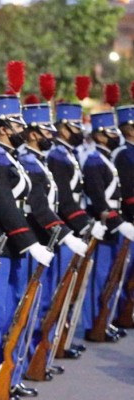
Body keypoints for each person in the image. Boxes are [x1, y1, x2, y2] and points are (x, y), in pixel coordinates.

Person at [0, 95, 54, 400]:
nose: (23, 127)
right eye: (17, 122)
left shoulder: (10, 158)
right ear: (3, 127)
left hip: (14, 247)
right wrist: (31, 243)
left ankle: (9, 377)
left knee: (12, 317)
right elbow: (7, 208)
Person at [17, 103, 87, 383]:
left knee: (46, 304)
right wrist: (68, 232)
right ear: (34, 134)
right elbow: (38, 206)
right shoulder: (30, 162)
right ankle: (29, 361)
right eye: (46, 129)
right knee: (35, 306)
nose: (51, 133)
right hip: (38, 237)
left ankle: (38, 359)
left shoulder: (41, 160)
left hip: (50, 236)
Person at [49, 103, 106, 356]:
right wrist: (84, 224)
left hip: (73, 228)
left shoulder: (67, 154)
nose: (78, 131)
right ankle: (50, 344)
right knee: (58, 291)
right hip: (64, 231)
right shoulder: (57, 157)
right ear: (62, 128)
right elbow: (63, 200)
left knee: (69, 289)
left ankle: (60, 341)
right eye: (73, 127)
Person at [80, 111, 134, 342]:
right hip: (105, 223)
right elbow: (98, 198)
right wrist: (119, 223)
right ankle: (94, 323)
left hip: (114, 222)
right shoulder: (95, 159)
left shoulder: (104, 158)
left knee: (113, 275)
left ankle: (105, 320)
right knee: (100, 278)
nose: (115, 135)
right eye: (111, 131)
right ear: (100, 136)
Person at [113, 104, 134, 328]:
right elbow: (128, 191)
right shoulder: (124, 154)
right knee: (123, 273)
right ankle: (120, 314)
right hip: (128, 220)